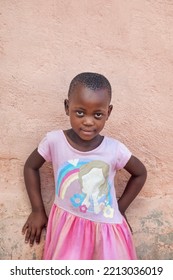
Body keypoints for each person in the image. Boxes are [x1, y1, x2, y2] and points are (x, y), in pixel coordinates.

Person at [22, 72, 147, 260]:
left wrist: (120, 208)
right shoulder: (54, 141)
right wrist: (38, 210)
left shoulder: (114, 149)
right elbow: (30, 167)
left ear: (109, 112)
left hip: (106, 233)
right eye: (80, 112)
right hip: (67, 229)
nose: (88, 121)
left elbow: (140, 173)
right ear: (67, 107)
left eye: (98, 114)